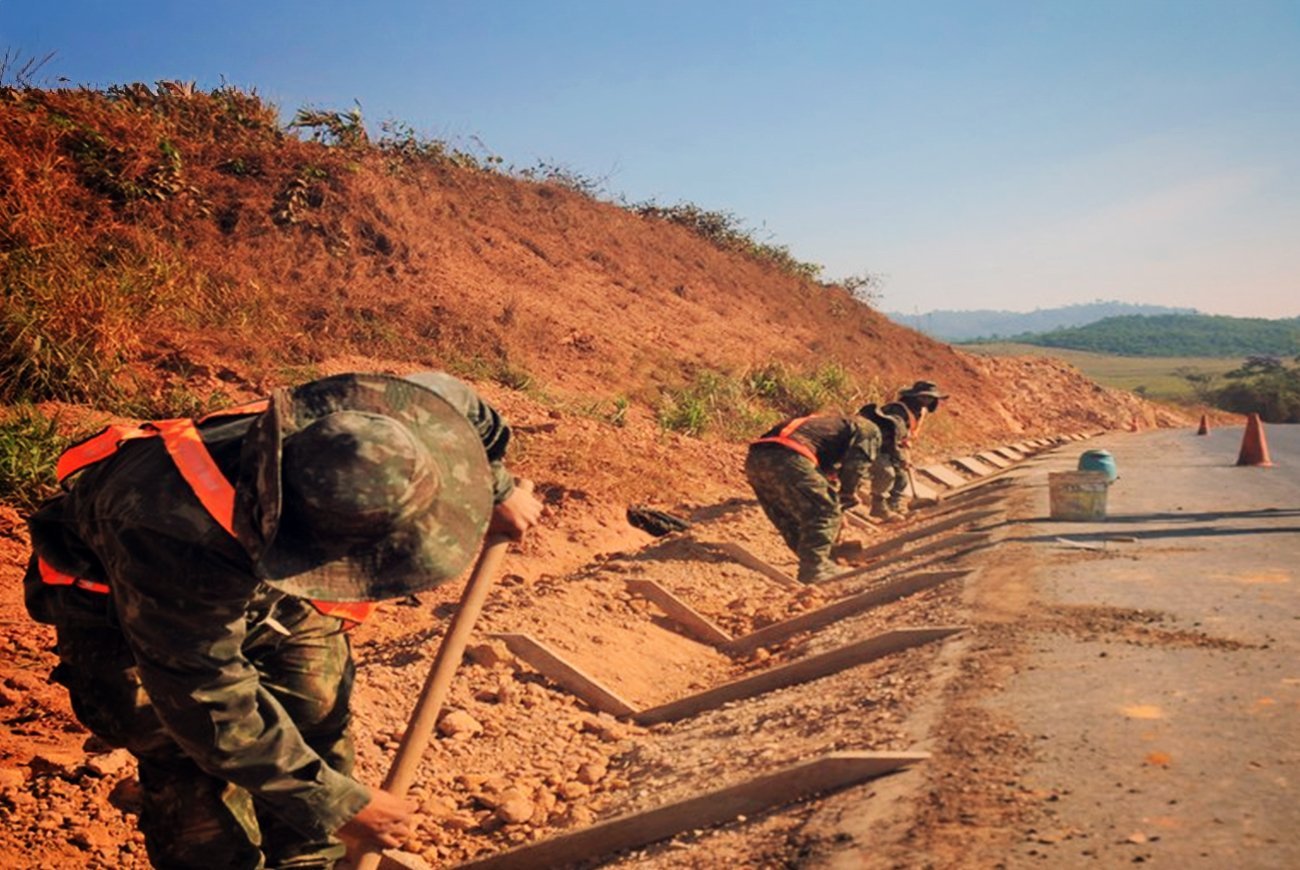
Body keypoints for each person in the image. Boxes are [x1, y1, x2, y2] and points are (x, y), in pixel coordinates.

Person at [23, 371, 544, 869]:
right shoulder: (169, 531)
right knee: (191, 762)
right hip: (122, 611)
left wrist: (495, 488)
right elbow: (207, 699)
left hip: (257, 580)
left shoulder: (376, 422)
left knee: (316, 709)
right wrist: (334, 802)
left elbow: (462, 406)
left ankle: (307, 861)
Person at [744, 410, 892, 583]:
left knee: (789, 517)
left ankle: (822, 560)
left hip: (756, 459)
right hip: (791, 457)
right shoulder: (869, 428)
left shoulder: (826, 424)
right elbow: (856, 465)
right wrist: (848, 493)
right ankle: (815, 567)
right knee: (825, 510)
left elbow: (824, 476)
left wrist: (837, 505)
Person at [860, 380, 949, 521]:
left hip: (893, 445)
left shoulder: (919, 412)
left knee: (902, 477)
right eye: (923, 397)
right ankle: (879, 509)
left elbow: (905, 434)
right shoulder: (897, 411)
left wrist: (904, 449)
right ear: (914, 397)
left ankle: (895, 507)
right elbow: (888, 437)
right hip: (874, 444)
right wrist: (900, 458)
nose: (927, 400)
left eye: (930, 398)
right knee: (886, 473)